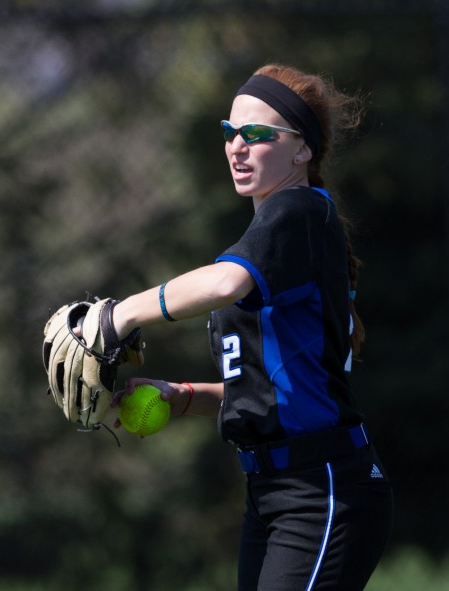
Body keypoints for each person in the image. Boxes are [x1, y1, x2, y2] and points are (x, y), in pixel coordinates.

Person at [107, 64, 394, 590]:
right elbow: (277, 390)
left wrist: (119, 314)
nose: (237, 146)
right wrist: (184, 395)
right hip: (271, 492)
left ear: (302, 149)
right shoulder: (278, 231)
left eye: (257, 134)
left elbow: (223, 285)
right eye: (229, 132)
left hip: (322, 488)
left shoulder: (299, 210)